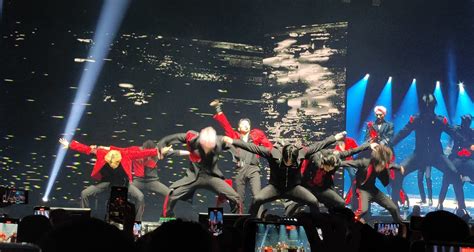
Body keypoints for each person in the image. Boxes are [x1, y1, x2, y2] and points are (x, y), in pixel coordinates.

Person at [223, 131, 347, 217]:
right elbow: (251, 147)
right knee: (257, 199)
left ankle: (316, 225)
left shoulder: (302, 153)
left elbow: (319, 145)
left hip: (294, 188)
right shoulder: (272, 153)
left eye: (291, 163)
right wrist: (233, 141)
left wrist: (335, 138)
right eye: (286, 162)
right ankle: (248, 223)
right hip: (275, 187)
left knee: (313, 202)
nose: (288, 164)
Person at [390, 93, 466, 212]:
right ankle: (394, 206)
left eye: (429, 107)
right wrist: (388, 145)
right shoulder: (416, 119)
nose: (427, 109)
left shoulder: (439, 120)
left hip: (436, 156)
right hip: (419, 155)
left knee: (454, 173)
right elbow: (402, 133)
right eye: (426, 107)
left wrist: (467, 144)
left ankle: (462, 208)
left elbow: (455, 134)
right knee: (398, 172)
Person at [58, 138, 159, 214]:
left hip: (122, 184)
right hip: (106, 182)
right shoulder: (101, 153)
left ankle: (137, 223)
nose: (113, 165)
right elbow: (86, 149)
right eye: (111, 163)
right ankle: (85, 218)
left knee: (140, 197)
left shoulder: (126, 154)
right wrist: (70, 145)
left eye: (115, 163)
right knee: (84, 193)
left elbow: (142, 153)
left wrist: (158, 151)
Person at [157, 127, 242, 217]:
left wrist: (238, 158)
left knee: (235, 197)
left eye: (211, 145)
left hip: (212, 177)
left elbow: (232, 147)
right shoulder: (192, 139)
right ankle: (166, 220)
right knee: (171, 195)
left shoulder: (219, 141)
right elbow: (169, 139)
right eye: (205, 145)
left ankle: (237, 223)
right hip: (194, 177)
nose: (207, 148)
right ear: (201, 141)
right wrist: (161, 148)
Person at [210, 100, 272, 213]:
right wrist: (218, 108)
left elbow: (268, 147)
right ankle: (239, 221)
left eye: (247, 124)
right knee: (239, 198)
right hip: (240, 169)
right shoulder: (235, 137)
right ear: (238, 128)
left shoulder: (256, 136)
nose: (246, 125)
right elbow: (226, 125)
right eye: (243, 124)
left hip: (254, 169)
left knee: (258, 196)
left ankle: (260, 219)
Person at [102, 140, 189, 221]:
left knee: (170, 194)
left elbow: (175, 153)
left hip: (153, 181)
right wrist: (101, 148)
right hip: (138, 180)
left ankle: (166, 216)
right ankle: (124, 218)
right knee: (123, 191)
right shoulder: (136, 150)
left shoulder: (157, 152)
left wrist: (190, 153)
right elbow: (119, 150)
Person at [285, 141, 376, 216]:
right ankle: (287, 221)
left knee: (341, 203)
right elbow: (308, 150)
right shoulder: (315, 158)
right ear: (324, 163)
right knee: (298, 204)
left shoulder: (335, 158)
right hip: (307, 187)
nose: (328, 171)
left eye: (331, 169)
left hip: (322, 188)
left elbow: (351, 151)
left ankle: (332, 223)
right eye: (328, 168)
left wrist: (368, 145)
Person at [341, 145, 405, 223]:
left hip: (373, 190)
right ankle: (349, 222)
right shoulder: (365, 162)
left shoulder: (383, 165)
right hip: (362, 190)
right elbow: (350, 163)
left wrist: (399, 167)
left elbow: (391, 165)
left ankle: (401, 224)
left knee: (393, 208)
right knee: (363, 210)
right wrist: (334, 162)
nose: (384, 166)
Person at [437, 114, 473, 211]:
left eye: (467, 122)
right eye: (464, 121)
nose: (465, 123)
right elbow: (450, 141)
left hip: (466, 159)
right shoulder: (456, 129)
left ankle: (460, 206)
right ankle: (441, 203)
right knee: (447, 181)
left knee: (451, 182)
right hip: (456, 158)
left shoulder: (471, 132)